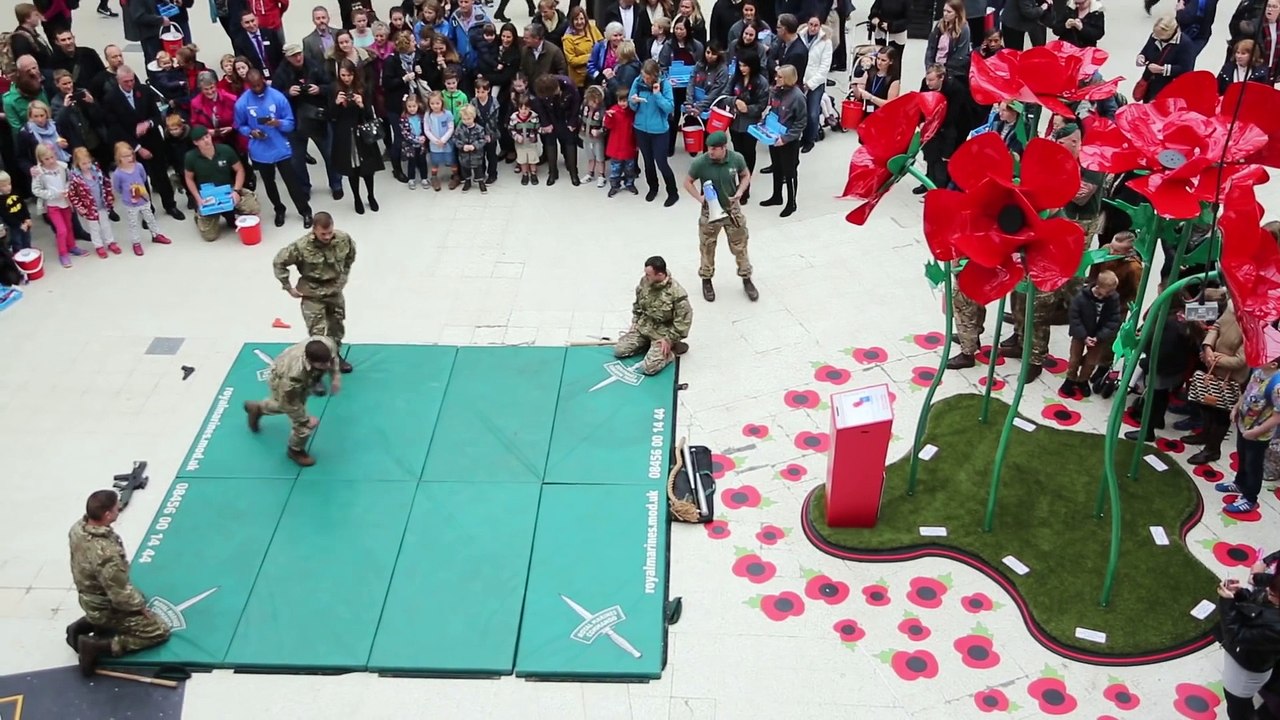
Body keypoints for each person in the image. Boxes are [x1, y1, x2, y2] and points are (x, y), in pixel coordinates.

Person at [67, 489, 172, 676]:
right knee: (158, 631)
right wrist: (140, 607)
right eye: (116, 508)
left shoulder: (78, 529)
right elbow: (119, 594)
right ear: (107, 514)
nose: (119, 509)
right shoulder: (106, 553)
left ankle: (85, 624)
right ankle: (95, 646)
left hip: (88, 596)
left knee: (135, 598)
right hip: (105, 605)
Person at [272, 211, 357, 383]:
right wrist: (288, 287)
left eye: (329, 232)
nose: (327, 236)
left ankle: (335, 357)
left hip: (334, 291)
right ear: (314, 230)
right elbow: (279, 262)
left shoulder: (342, 239)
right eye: (322, 233)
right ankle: (314, 371)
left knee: (336, 327)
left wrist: (343, 276)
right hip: (312, 293)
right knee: (317, 335)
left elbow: (350, 256)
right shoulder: (301, 247)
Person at [243, 336, 341, 466]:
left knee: (287, 405)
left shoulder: (327, 344)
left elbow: (333, 360)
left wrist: (335, 377)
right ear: (310, 361)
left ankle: (258, 408)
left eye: (327, 361)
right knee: (302, 424)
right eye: (323, 364)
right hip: (282, 380)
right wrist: (305, 419)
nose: (328, 365)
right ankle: (295, 450)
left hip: (305, 373)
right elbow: (289, 404)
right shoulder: (293, 376)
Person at [235, 69, 314, 228]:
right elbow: (239, 125)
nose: (257, 88)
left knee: (292, 182)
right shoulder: (242, 103)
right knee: (269, 183)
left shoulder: (278, 97)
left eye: (259, 85)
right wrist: (251, 132)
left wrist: (278, 123)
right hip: (260, 151)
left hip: (280, 148)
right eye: (254, 86)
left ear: (264, 80)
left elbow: (290, 123)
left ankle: (305, 210)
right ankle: (279, 208)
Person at [685, 131, 756, 302]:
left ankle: (746, 278)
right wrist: (699, 197)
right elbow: (687, 181)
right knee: (707, 246)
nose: (711, 152)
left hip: (732, 210)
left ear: (724, 148)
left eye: (714, 149)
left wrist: (740, 192)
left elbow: (746, 174)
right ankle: (706, 279)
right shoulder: (701, 163)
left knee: (740, 245)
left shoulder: (736, 159)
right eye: (709, 148)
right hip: (710, 212)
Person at [1215, 351, 1280, 515]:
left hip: (1258, 434)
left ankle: (1250, 498)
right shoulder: (1258, 372)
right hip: (1243, 425)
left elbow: (1277, 417)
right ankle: (1239, 482)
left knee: (1254, 465)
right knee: (1242, 456)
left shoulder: (1277, 386)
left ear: (1273, 364)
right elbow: (1247, 392)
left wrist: (1256, 432)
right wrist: (1236, 407)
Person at [1215, 567, 1280, 718]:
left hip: (1246, 672)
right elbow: (1258, 607)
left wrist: (1226, 602)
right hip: (1245, 660)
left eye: (1272, 594)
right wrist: (1239, 594)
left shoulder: (1277, 628)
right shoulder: (1274, 602)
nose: (1267, 594)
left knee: (1238, 710)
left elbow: (1236, 636)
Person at [613, 255, 693, 375]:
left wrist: (669, 339)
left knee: (649, 368)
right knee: (620, 351)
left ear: (660, 275)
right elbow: (638, 305)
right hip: (645, 326)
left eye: (648, 274)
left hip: (663, 334)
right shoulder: (645, 282)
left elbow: (683, 322)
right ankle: (646, 345)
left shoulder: (677, 294)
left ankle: (673, 350)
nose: (645, 277)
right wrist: (635, 322)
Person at [184, 125, 261, 241]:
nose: (206, 141)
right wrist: (198, 198)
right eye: (202, 139)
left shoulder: (225, 150)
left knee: (253, 207)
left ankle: (232, 212)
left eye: (207, 136)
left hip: (228, 189)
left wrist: (236, 191)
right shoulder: (190, 157)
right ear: (195, 143)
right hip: (208, 195)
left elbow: (239, 170)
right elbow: (189, 178)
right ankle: (200, 215)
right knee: (210, 236)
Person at [1061, 271, 1121, 397]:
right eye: (1108, 291)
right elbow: (1074, 317)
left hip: (1098, 337)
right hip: (1080, 334)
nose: (1111, 294)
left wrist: (1099, 336)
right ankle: (1070, 378)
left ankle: (1083, 380)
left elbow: (1113, 320)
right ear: (1098, 287)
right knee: (1074, 358)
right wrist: (1083, 336)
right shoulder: (1081, 298)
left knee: (1091, 362)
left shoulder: (1113, 299)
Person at [758, 63, 805, 217]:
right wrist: (765, 122)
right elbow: (773, 109)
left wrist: (786, 138)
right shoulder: (776, 91)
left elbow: (801, 122)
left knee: (790, 172)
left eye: (780, 77)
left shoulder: (798, 97)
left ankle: (792, 202)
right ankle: (776, 196)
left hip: (788, 141)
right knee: (776, 168)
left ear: (789, 79)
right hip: (773, 135)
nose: (776, 79)